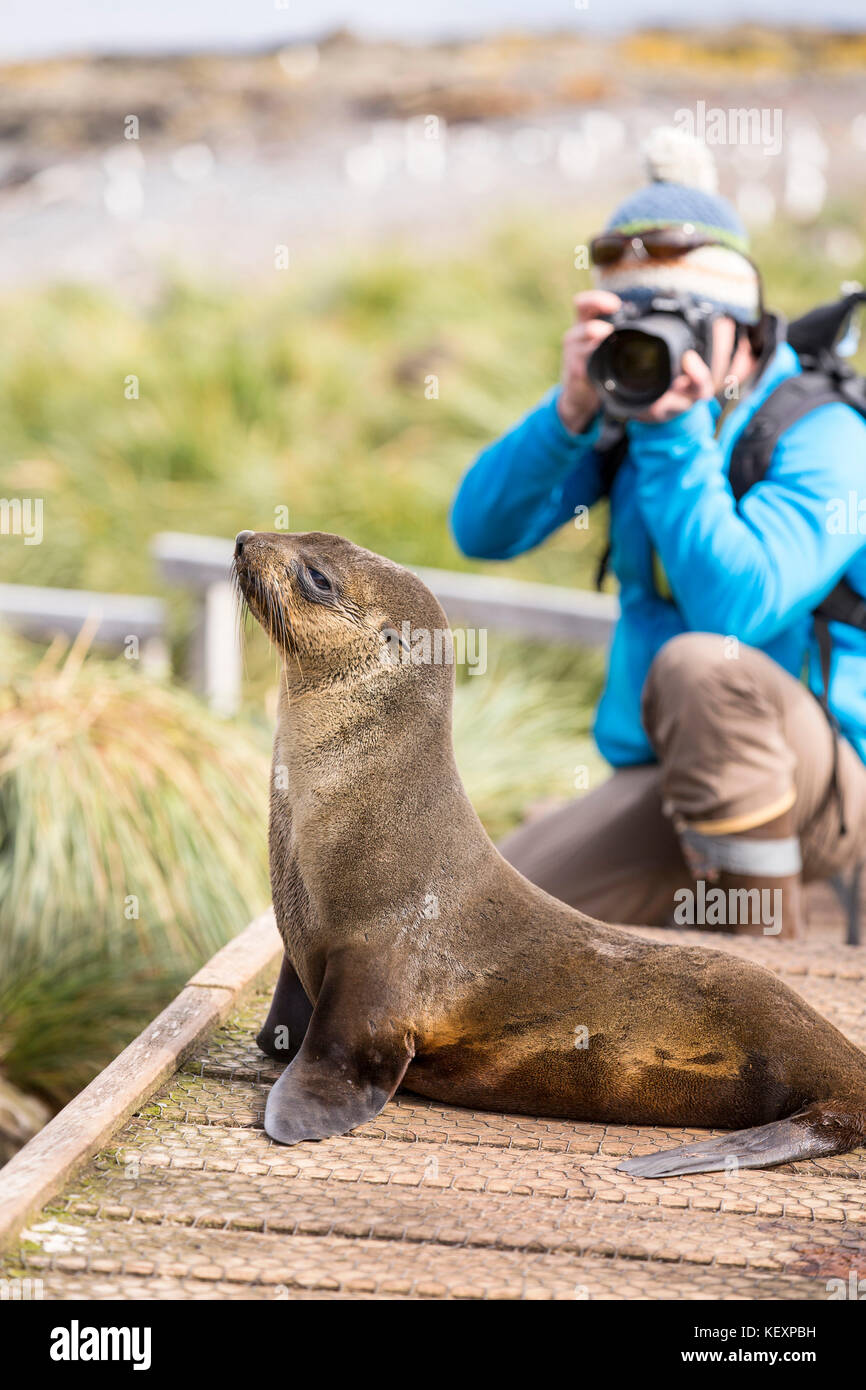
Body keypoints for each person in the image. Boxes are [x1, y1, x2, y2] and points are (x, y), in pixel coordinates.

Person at [450, 129, 866, 939]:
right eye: (629, 321)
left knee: (704, 667)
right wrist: (569, 411)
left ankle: (768, 962)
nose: (656, 343)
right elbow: (481, 530)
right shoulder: (622, 416)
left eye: (684, 317)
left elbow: (735, 612)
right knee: (482, 925)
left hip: (833, 790)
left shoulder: (825, 434)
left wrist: (676, 439)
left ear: (746, 329)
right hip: (669, 777)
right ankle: (699, 904)